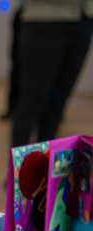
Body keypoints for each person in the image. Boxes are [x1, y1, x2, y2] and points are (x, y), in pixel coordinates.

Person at [11, 0, 93, 147]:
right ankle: (20, 169)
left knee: (57, 103)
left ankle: (43, 166)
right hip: (46, 22)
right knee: (33, 102)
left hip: (83, 22)